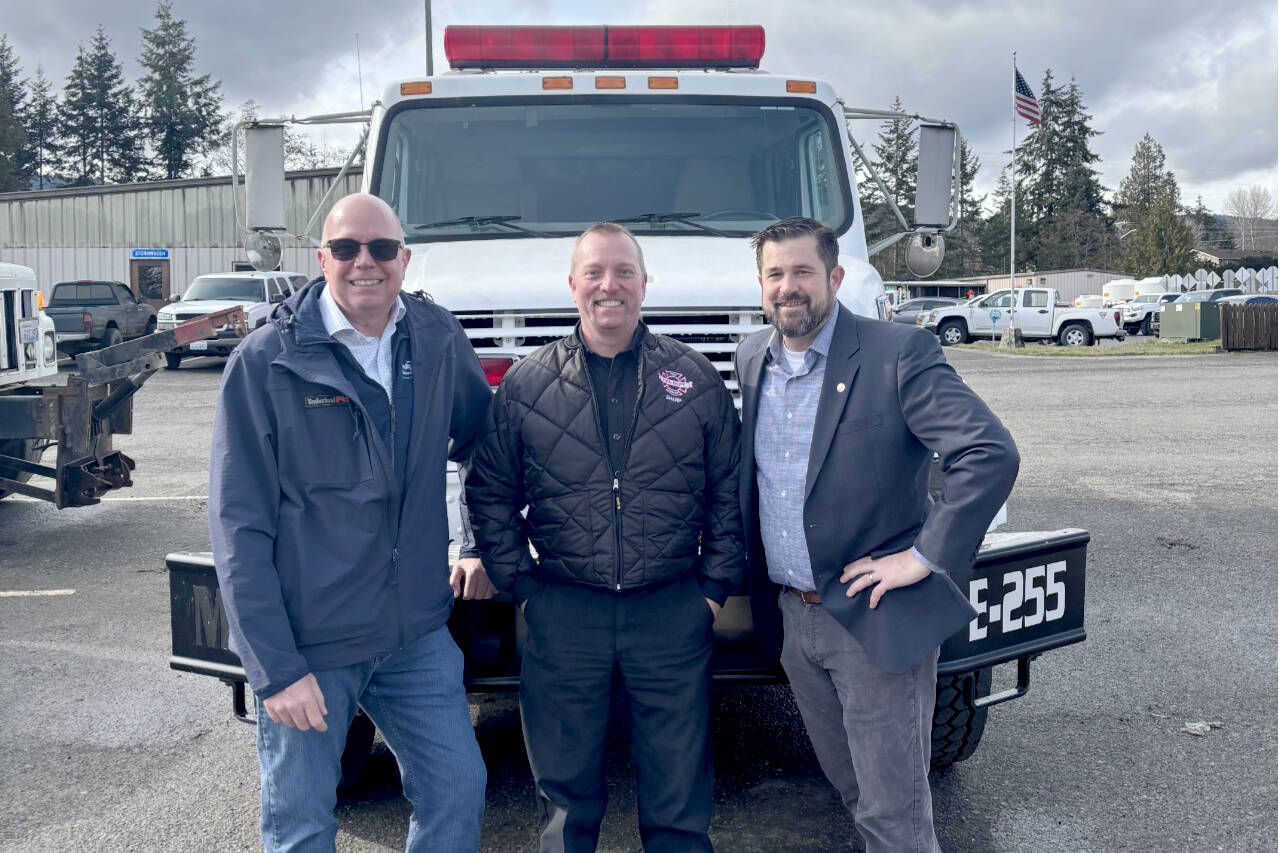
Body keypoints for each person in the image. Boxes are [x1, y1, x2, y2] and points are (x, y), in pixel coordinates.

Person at [209, 192, 494, 852]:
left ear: (404, 258)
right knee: (301, 824)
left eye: (382, 248)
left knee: (457, 788)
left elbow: (485, 440)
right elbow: (238, 527)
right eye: (346, 248)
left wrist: (476, 541)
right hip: (312, 642)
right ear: (322, 258)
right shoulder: (264, 364)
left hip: (414, 634)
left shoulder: (437, 337)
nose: (365, 262)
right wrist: (275, 668)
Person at [734, 218, 1019, 852]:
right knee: (855, 791)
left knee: (896, 813)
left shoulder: (897, 354)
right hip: (793, 617)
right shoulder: (752, 357)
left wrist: (924, 557)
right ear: (760, 286)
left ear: (834, 277)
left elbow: (988, 453)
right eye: (775, 275)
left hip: (872, 617)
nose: (789, 288)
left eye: (803, 272)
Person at [466, 222, 744, 853]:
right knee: (566, 801)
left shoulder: (694, 380)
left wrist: (711, 588)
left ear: (645, 284)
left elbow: (729, 491)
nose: (609, 286)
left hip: (671, 610)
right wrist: (524, 587)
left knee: (679, 800)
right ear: (573, 286)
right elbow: (490, 492)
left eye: (623, 272)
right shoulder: (527, 384)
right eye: (594, 272)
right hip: (565, 610)